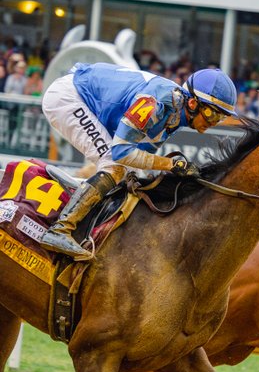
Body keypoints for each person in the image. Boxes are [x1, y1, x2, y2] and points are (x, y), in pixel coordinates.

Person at [39, 63, 237, 260]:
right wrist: (170, 165)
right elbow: (121, 152)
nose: (213, 123)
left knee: (125, 174)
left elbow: (140, 158)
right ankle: (60, 229)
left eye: (221, 117)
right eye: (212, 114)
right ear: (193, 103)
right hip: (68, 97)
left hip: (86, 98)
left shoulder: (176, 114)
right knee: (113, 165)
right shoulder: (155, 103)